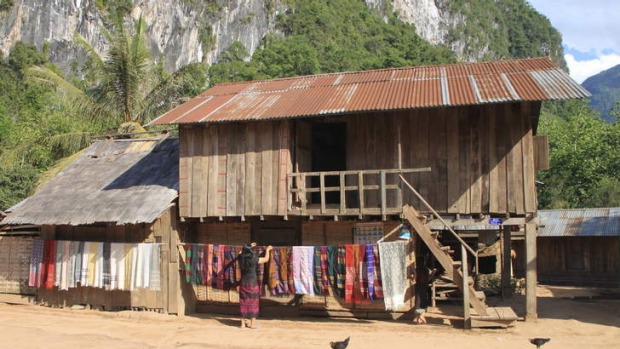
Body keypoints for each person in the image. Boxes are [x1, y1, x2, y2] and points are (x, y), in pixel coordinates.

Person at [238, 242, 272, 329]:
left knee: (243, 302)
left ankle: (242, 324)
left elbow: (240, 252)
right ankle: (252, 324)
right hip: (253, 283)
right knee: (253, 302)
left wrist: (248, 246)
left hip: (243, 283)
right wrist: (267, 250)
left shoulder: (240, 258)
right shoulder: (254, 259)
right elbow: (266, 259)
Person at [412, 256, 438, 325]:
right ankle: (421, 317)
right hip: (424, 287)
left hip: (419, 287)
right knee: (422, 302)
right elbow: (428, 279)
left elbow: (414, 279)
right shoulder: (426, 270)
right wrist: (433, 273)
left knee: (418, 302)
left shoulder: (417, 269)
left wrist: (414, 272)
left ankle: (419, 318)